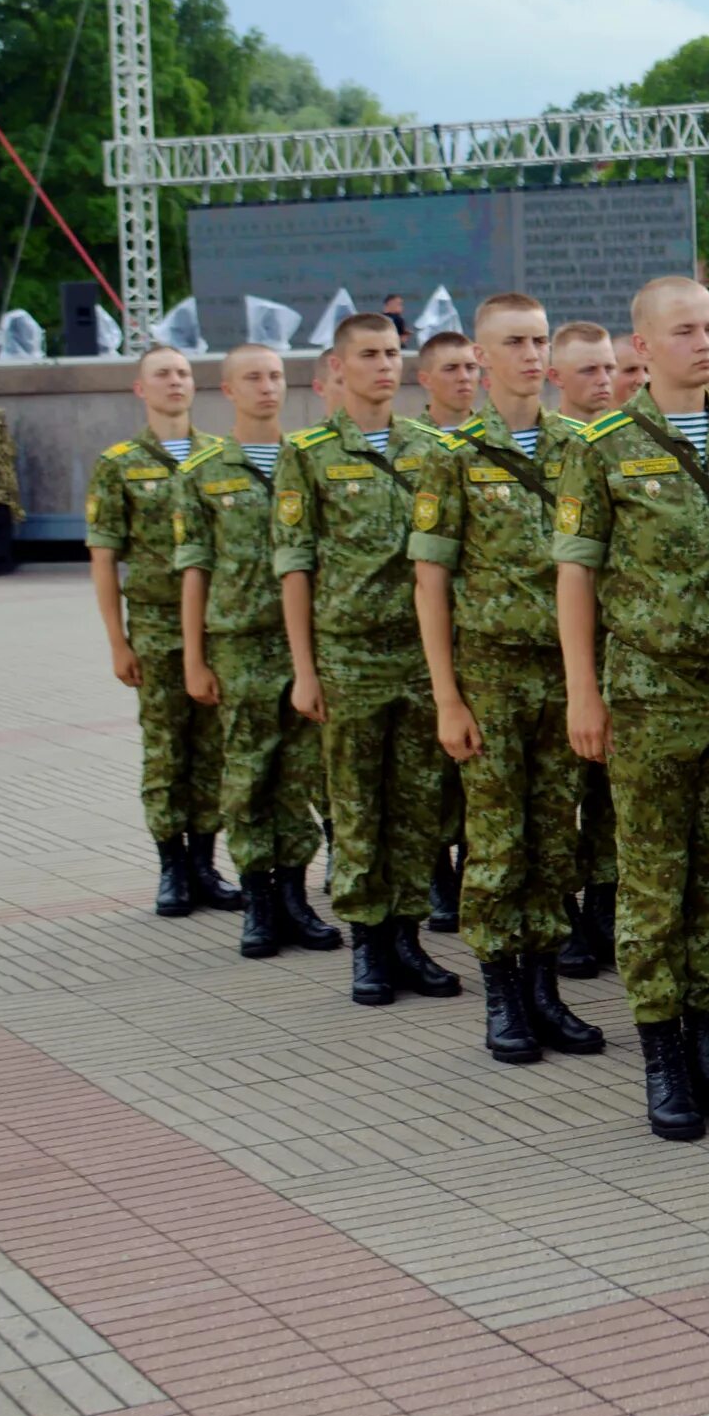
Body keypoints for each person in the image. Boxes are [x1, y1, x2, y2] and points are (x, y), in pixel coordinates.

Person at [553, 276, 709, 1137]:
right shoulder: (604, 445)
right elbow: (575, 572)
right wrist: (584, 687)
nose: (704, 343)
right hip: (650, 697)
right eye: (683, 331)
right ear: (641, 347)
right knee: (654, 881)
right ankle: (663, 1059)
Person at [410, 295, 599, 1052]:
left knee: (557, 836)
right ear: (480, 358)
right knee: (496, 840)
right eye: (513, 342)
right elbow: (430, 582)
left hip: (564, 673)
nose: (530, 354)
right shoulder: (450, 455)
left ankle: (545, 986)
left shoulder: (580, 447)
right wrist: (446, 696)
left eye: (539, 339)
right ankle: (503, 995)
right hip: (489, 672)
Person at [276, 314, 459, 1007]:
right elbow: (294, 564)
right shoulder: (310, 452)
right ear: (337, 368)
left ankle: (409, 937)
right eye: (369, 355)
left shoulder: (432, 446)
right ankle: (368, 945)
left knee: (417, 806)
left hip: (418, 656)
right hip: (349, 656)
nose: (384, 365)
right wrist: (305, 667)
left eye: (392, 353)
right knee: (355, 806)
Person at [175, 343, 340, 959]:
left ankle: (296, 895)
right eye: (253, 378)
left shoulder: (311, 459)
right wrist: (194, 657)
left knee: (301, 773)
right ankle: (259, 900)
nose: (268, 388)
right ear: (227, 391)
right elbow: (193, 569)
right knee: (248, 774)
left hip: (306, 643)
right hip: (241, 644)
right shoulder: (204, 471)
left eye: (275, 376)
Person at [88, 344, 239, 917]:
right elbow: (104, 558)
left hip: (218, 626)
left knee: (213, 750)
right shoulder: (119, 463)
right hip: (154, 626)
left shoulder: (220, 456)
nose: (174, 382)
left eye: (182, 373)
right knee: (165, 749)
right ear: (140, 389)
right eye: (162, 375)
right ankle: (171, 867)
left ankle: (205, 862)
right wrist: (117, 641)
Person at [545, 320, 626, 971]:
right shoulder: (569, 450)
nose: (603, 382)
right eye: (589, 371)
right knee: (552, 799)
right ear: (558, 378)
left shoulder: (626, 448)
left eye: (609, 368)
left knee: (611, 800)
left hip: (623, 652)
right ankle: (563, 916)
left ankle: (605, 905)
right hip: (540, 657)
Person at [409, 330, 484, 931]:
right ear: (426, 379)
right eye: (450, 368)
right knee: (429, 785)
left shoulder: (563, 445)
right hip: (444, 647)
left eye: (468, 367)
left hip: (509, 652)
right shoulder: (444, 455)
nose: (463, 378)